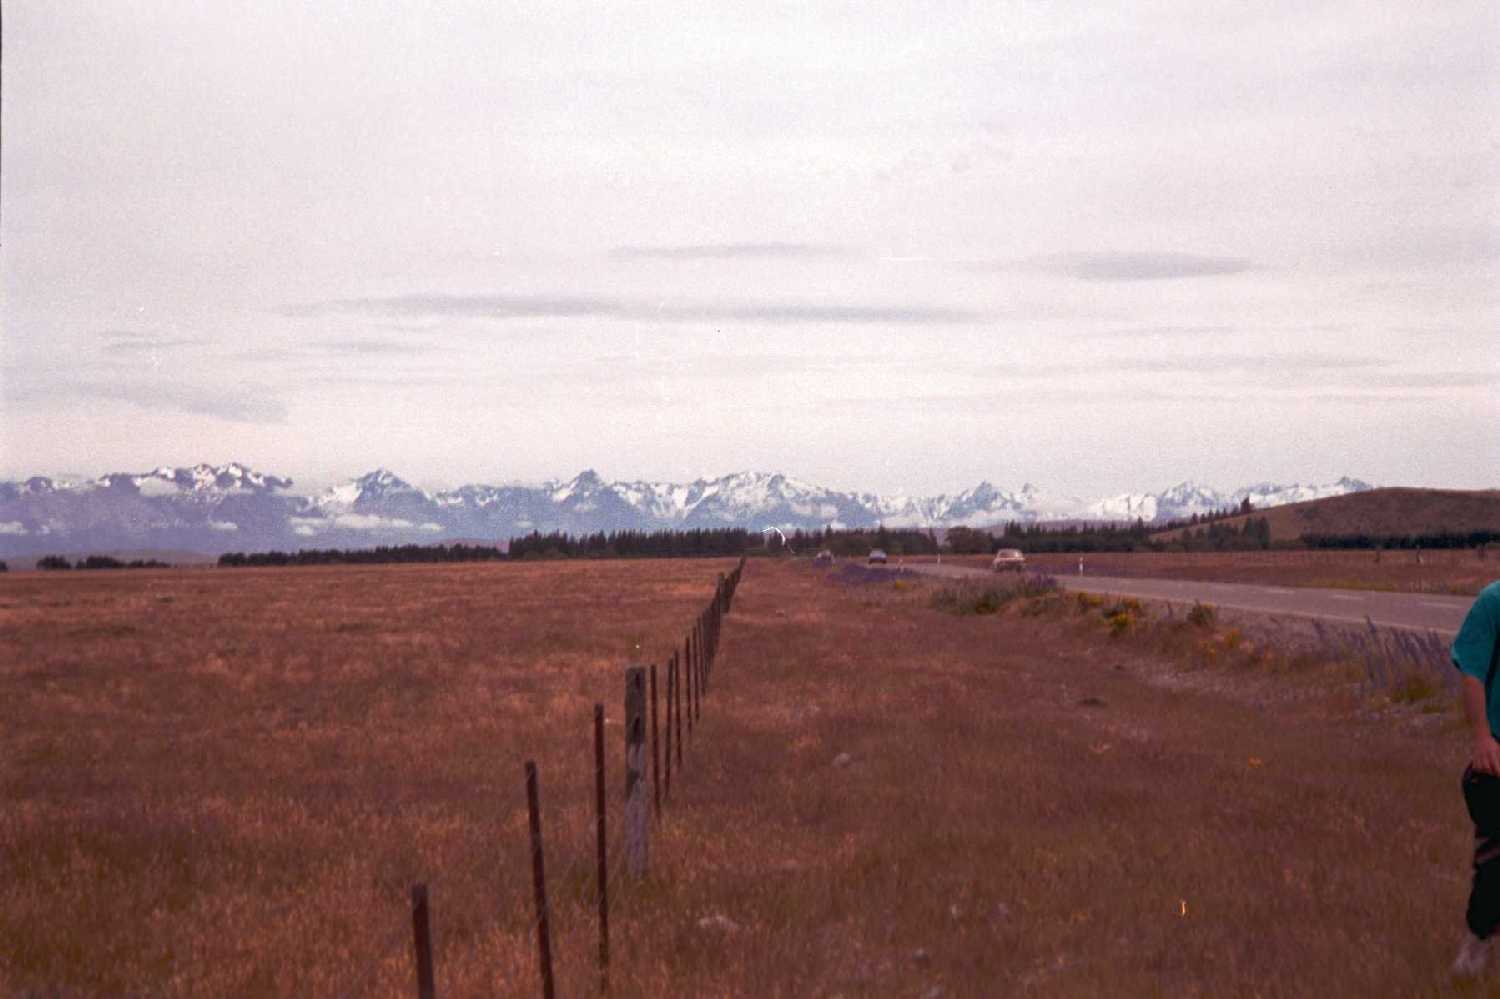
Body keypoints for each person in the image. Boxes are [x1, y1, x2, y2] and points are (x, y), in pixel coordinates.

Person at [1452, 579, 1500, 979]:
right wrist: (1482, 736)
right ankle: (1478, 938)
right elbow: (1472, 672)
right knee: (1496, 860)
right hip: (1499, 753)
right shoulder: (1493, 602)